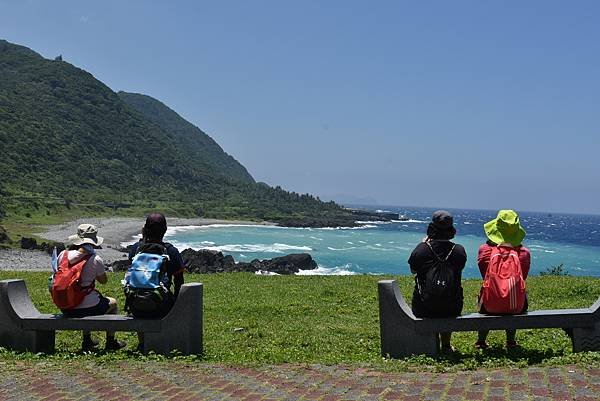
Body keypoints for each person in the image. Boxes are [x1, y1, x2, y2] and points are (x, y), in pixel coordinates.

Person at [57, 224, 125, 351]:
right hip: (86, 307)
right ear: (93, 242)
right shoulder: (95, 259)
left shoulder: (63, 255)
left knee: (85, 300)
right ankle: (110, 341)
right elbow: (103, 281)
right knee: (112, 303)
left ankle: (87, 340)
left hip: (65, 306)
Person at [408, 210, 467, 352]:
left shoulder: (422, 249)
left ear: (431, 228)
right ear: (451, 230)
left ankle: (429, 344)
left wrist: (423, 244)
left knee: (430, 299)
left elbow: (413, 271)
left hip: (424, 306)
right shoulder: (459, 250)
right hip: (452, 307)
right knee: (447, 297)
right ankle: (446, 345)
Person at [128, 212, 186, 350]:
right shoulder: (170, 251)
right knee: (166, 299)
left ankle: (142, 343)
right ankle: (163, 341)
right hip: (160, 307)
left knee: (140, 292)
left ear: (145, 229)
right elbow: (179, 283)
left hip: (135, 305)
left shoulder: (136, 249)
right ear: (165, 230)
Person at [476, 209, 531, 349]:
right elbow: (522, 277)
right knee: (515, 290)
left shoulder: (484, 250)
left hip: (489, 304)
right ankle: (511, 341)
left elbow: (485, 275)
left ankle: (481, 341)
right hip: (516, 305)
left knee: (486, 291)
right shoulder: (524, 253)